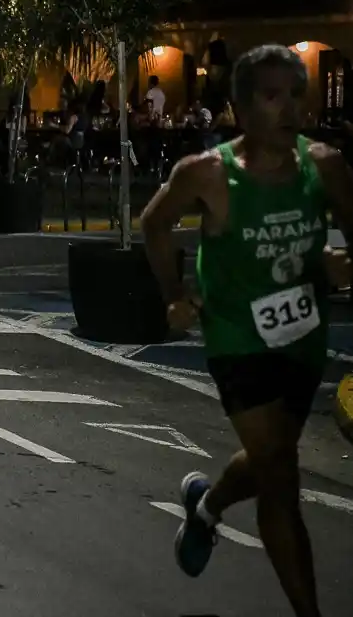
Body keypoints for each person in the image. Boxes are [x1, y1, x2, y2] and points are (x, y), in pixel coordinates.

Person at [141, 44, 353, 617]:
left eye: (296, 96)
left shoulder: (326, 165)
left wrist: (337, 267)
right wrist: (174, 295)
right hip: (236, 335)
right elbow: (154, 223)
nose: (289, 110)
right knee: (281, 476)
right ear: (239, 107)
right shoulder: (207, 174)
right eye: (271, 97)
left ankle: (207, 508)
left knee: (273, 454)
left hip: (303, 334)